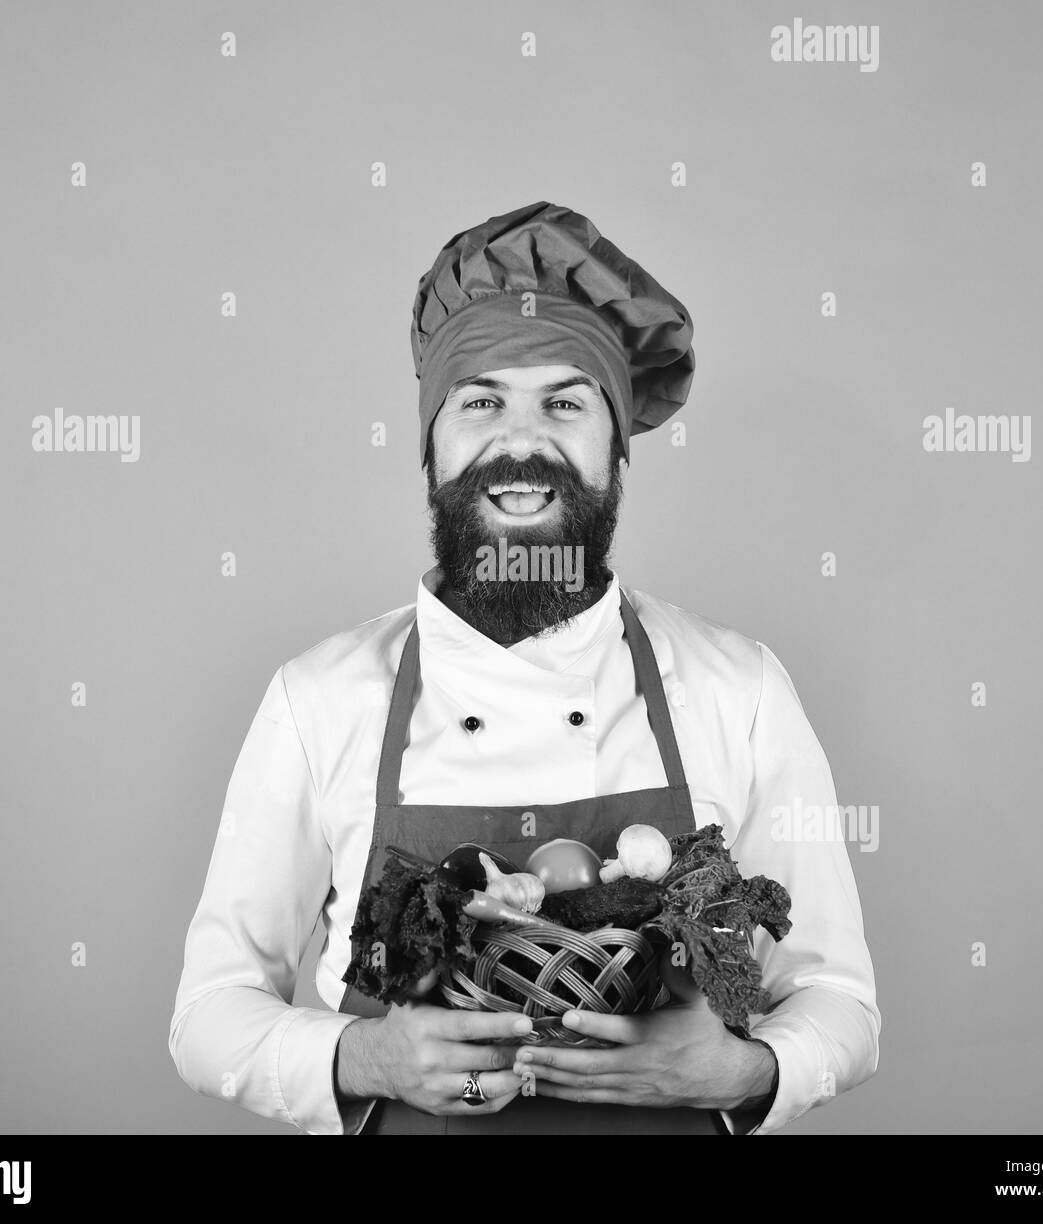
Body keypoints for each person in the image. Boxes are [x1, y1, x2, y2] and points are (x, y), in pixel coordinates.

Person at [168, 201, 879, 1135]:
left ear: (616, 447)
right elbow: (208, 1014)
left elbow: (840, 1001)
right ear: (431, 445)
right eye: (481, 400)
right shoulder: (321, 699)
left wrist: (743, 1072)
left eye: (566, 402)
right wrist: (363, 1056)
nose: (522, 439)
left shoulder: (736, 688)